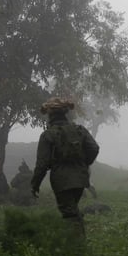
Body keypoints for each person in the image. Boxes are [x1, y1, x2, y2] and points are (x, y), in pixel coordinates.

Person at [30, 98, 100, 235]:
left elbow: (42, 164)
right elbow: (94, 148)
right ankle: (78, 242)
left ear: (50, 116)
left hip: (61, 180)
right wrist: (84, 164)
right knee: (72, 209)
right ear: (65, 114)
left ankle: (76, 247)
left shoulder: (47, 135)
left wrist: (35, 184)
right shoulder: (80, 130)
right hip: (80, 178)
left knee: (69, 214)